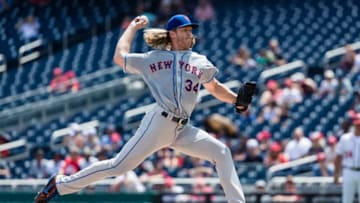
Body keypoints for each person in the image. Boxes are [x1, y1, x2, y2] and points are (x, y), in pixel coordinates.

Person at [35, 14, 251, 203]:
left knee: (222, 152)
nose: (190, 34)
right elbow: (119, 57)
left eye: (190, 30)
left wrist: (235, 100)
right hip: (159, 122)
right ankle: (60, 184)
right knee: (118, 166)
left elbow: (214, 87)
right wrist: (132, 28)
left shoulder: (200, 60)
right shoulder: (153, 58)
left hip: (183, 128)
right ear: (173, 34)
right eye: (185, 30)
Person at [334, 113, 360, 203]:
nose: (358, 126)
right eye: (357, 124)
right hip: (348, 171)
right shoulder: (345, 138)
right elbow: (338, 156)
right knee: (347, 200)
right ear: (353, 124)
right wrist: (336, 174)